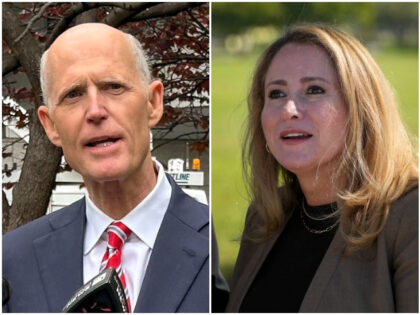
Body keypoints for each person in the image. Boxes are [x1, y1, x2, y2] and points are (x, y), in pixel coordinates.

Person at [2, 23, 209, 313]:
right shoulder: (12, 262)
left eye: (113, 87)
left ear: (153, 102)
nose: (95, 111)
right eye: (73, 94)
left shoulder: (225, 246)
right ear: (50, 126)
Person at [226, 24, 418, 312]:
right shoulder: (265, 217)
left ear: (361, 109)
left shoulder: (409, 216)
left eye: (314, 90)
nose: (289, 109)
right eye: (276, 93)